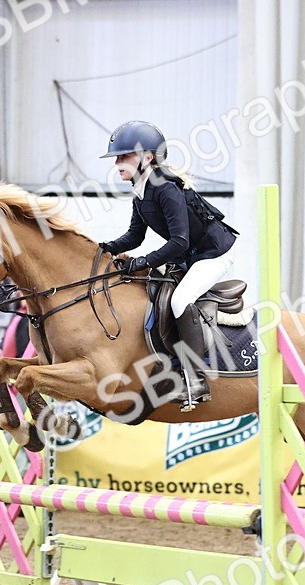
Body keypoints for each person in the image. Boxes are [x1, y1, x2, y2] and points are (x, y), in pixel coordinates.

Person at [98, 120, 238, 412]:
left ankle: (195, 378)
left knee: (180, 300)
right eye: (117, 158)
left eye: (124, 157)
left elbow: (180, 242)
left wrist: (144, 262)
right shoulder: (141, 190)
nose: (117, 163)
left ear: (147, 157)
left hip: (213, 253)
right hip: (189, 255)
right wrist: (105, 248)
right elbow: (135, 236)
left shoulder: (165, 188)